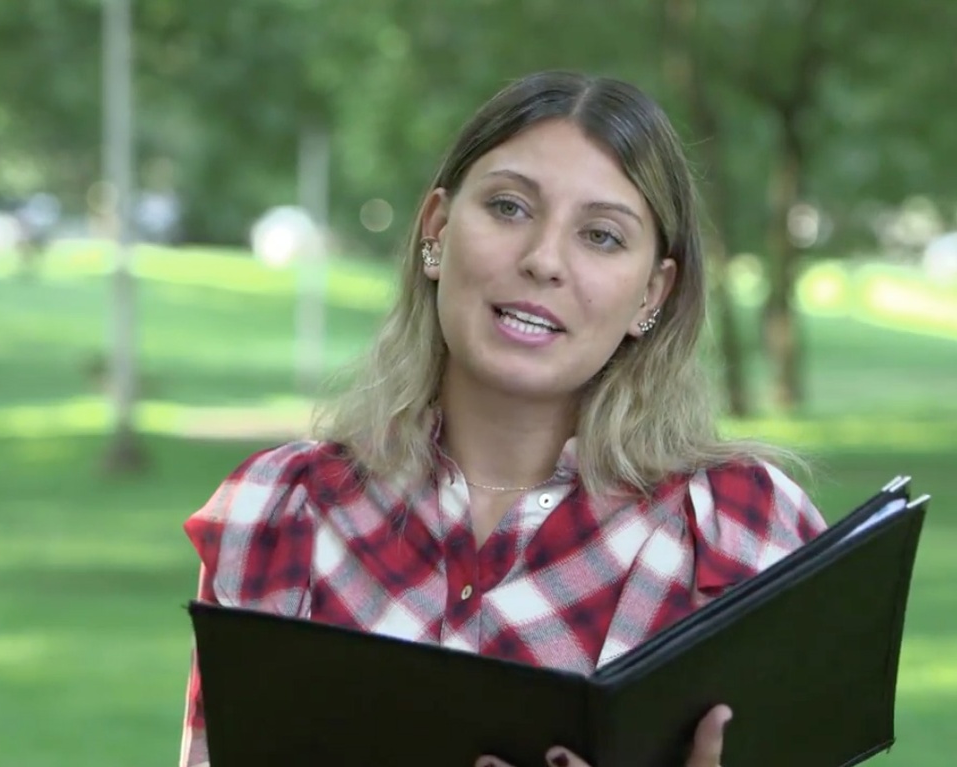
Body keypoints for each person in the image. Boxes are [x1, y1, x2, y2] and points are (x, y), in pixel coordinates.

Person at [176, 70, 828, 767]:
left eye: (602, 236)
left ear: (653, 292)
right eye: (510, 207)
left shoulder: (740, 528)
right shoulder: (283, 511)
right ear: (437, 228)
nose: (544, 260)